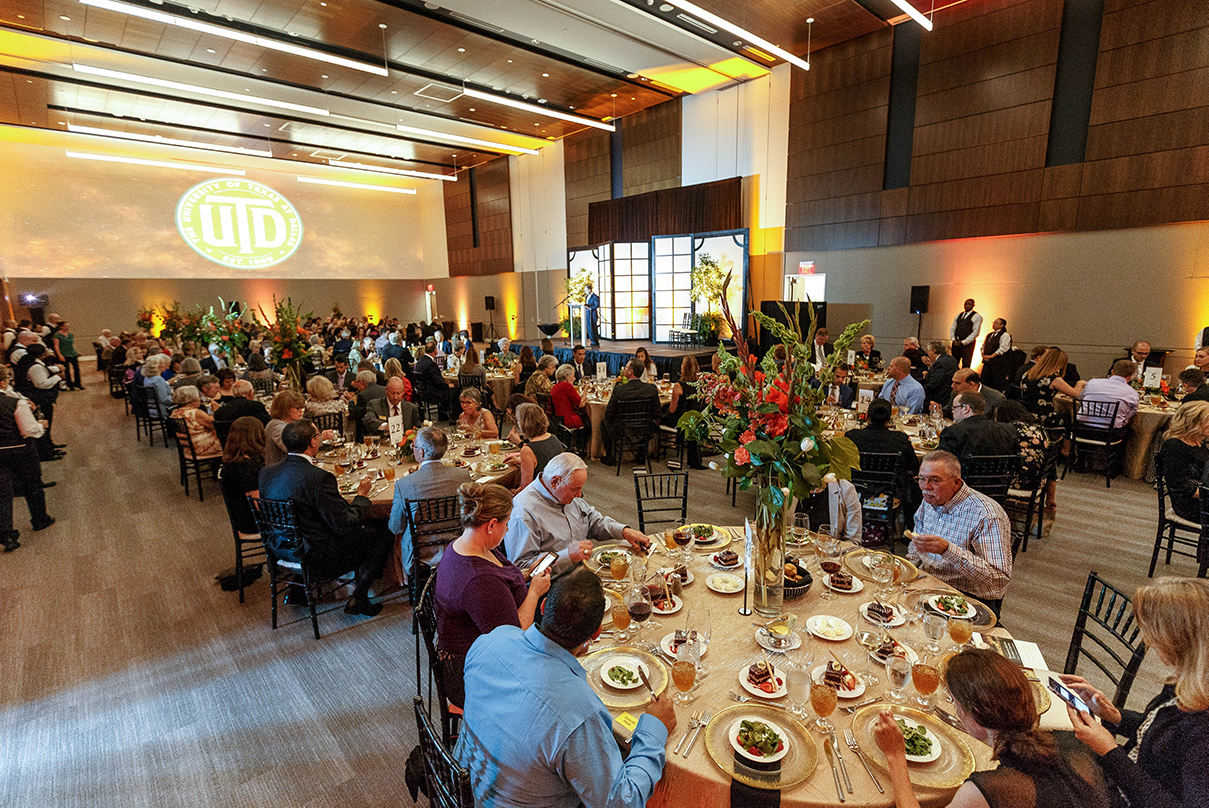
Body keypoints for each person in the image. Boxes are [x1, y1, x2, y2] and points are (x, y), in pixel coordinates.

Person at [454, 568, 674, 807]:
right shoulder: (578, 712)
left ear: (543, 606)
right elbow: (622, 802)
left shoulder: (489, 642)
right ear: (596, 632)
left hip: (462, 788)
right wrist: (654, 728)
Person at [874, 648, 1113, 808]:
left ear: (976, 714)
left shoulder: (988, 790)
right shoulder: (1073, 743)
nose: (955, 708)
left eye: (954, 700)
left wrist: (895, 755)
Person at [1062, 577, 1209, 808]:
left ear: (1183, 641)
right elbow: (1160, 737)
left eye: (1154, 632)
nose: (1148, 640)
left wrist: (1109, 751)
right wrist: (1115, 716)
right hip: (1126, 774)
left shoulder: (1203, 733)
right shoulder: (1188, 681)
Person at [434, 482, 552, 709]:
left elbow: (501, 584)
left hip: (477, 649)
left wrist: (527, 575)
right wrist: (535, 591)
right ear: (491, 525)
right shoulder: (479, 580)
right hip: (475, 673)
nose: (507, 529)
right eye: (506, 523)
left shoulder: (467, 545)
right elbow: (514, 635)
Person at [259, 419, 393, 616]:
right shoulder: (318, 478)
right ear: (313, 442)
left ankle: (298, 588)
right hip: (318, 557)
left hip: (279, 548)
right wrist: (361, 497)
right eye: (317, 434)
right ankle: (360, 597)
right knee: (384, 529)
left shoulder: (266, 473)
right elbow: (344, 525)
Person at [503, 452, 650, 579]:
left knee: (639, 577)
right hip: (552, 585)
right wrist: (568, 556)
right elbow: (521, 570)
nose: (579, 495)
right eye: (575, 489)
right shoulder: (524, 512)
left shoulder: (566, 496)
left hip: (582, 571)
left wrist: (625, 532)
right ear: (555, 482)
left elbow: (593, 520)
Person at [908, 450, 1012, 614]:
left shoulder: (987, 515)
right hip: (927, 584)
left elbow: (997, 581)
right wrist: (906, 576)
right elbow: (915, 549)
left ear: (956, 483)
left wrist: (948, 550)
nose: (925, 487)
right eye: (921, 479)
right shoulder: (930, 499)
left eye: (934, 480)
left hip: (968, 598)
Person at [387, 426, 471, 577]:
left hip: (420, 556)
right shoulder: (462, 476)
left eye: (414, 447)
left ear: (422, 452)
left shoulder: (404, 484)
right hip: (458, 547)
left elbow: (395, 527)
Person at [0, 366, 54, 550]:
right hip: (20, 448)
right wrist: (41, 426)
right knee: (32, 483)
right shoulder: (14, 402)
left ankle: (7, 534)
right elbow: (28, 430)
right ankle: (40, 519)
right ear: (2, 382)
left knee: (3, 493)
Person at [845, 399, 921, 528]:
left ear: (867, 416)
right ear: (890, 418)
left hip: (855, 490)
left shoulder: (851, 436)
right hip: (889, 493)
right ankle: (907, 526)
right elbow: (914, 466)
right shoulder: (900, 439)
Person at [601, 358, 662, 465]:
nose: (624, 368)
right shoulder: (651, 389)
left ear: (631, 371)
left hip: (623, 429)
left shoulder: (620, 390)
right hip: (645, 428)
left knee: (604, 423)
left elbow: (609, 415)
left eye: (626, 367)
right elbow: (657, 412)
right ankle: (642, 454)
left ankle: (610, 456)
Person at [1158, 402, 1209, 523]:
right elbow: (1179, 486)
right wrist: (1206, 495)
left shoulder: (1199, 442)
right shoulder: (1174, 447)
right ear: (1194, 423)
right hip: (1191, 506)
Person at [218, 416, 266, 539]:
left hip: (243, 517)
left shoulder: (232, 461)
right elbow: (259, 505)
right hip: (252, 523)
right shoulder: (246, 467)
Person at [938, 390, 1019, 463]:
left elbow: (939, 462)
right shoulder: (1008, 430)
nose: (952, 411)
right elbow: (1016, 461)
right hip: (1001, 478)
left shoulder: (953, 432)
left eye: (954, 407)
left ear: (966, 408)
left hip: (963, 478)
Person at [994, 400, 1053, 495]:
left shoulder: (1010, 431)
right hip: (1038, 482)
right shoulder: (1040, 429)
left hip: (1017, 482)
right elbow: (1052, 467)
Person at [505, 403, 564, 493]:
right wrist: (520, 460)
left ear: (523, 424)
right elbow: (543, 460)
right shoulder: (553, 438)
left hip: (541, 495)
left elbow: (525, 488)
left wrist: (511, 492)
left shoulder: (528, 450)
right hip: (557, 489)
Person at [1022, 348, 1086, 428]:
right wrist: (1081, 382)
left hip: (1026, 413)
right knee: (1071, 421)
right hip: (1044, 416)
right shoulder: (1052, 378)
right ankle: (1065, 439)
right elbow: (1075, 394)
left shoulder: (1027, 374)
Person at [664, 355, 703, 468]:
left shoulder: (678, 386)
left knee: (658, 416)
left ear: (683, 368)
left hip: (681, 421)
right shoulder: (700, 385)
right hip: (695, 419)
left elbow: (672, 409)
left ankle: (660, 449)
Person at [1082, 359, 1140, 429]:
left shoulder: (1092, 383)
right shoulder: (1132, 393)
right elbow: (1132, 412)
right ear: (1130, 377)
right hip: (1110, 433)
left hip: (1082, 428)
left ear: (1112, 372)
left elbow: (1081, 399)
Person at [169, 385, 222, 457]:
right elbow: (215, 425)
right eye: (198, 398)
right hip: (203, 448)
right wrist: (216, 410)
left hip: (187, 448)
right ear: (193, 401)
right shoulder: (196, 413)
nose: (199, 400)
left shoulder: (175, 412)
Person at [364, 377, 420, 442]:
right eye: (392, 393)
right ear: (386, 390)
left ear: (403, 392)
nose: (395, 397)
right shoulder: (374, 405)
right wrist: (385, 426)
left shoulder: (411, 408)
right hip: (383, 445)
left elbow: (417, 429)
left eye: (398, 393)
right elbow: (368, 419)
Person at [264, 389, 306, 467]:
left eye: (302, 407)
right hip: (279, 473)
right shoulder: (276, 426)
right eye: (297, 408)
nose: (301, 411)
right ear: (285, 409)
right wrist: (318, 439)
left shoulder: (292, 424)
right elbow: (291, 448)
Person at [979, 318, 1013, 390]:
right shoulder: (989, 335)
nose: (994, 324)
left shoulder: (1004, 335)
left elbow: (1003, 348)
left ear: (1002, 325)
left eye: (997, 323)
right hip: (987, 363)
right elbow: (984, 345)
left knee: (996, 383)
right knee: (984, 381)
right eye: (993, 323)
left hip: (998, 364)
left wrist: (991, 356)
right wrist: (983, 354)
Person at [923, 340, 960, 405]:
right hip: (949, 394)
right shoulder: (951, 359)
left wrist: (920, 389)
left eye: (928, 351)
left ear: (933, 351)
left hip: (940, 397)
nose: (928, 354)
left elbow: (935, 383)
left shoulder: (939, 363)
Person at [950, 298, 983, 368]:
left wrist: (964, 342)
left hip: (967, 344)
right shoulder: (959, 315)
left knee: (966, 363)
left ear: (973, 305)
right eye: (966, 304)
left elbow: (975, 332)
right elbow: (953, 327)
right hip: (956, 342)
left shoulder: (976, 316)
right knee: (954, 363)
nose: (967, 306)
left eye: (969, 304)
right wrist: (953, 339)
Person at [51, 321, 82, 390]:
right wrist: (59, 355)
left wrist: (76, 351)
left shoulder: (70, 334)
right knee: (67, 370)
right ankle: (70, 385)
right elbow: (56, 346)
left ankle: (78, 383)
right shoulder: (57, 335)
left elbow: (72, 344)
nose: (68, 327)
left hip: (72, 353)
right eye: (66, 326)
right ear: (61, 327)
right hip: (64, 354)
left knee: (76, 369)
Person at [583, 283, 601, 348]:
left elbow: (597, 305)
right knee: (589, 328)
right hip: (588, 314)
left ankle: (595, 341)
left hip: (592, 314)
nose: (585, 291)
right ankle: (592, 341)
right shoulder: (587, 296)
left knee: (593, 328)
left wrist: (590, 307)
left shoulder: (594, 296)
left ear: (589, 289)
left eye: (586, 290)